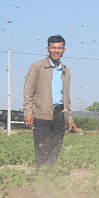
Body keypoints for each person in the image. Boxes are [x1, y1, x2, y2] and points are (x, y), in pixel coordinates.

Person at [23, 35, 78, 168]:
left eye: (59, 48)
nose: (56, 50)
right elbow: (28, 92)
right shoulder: (37, 67)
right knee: (42, 147)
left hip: (60, 114)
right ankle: (42, 179)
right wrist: (28, 113)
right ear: (48, 49)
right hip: (41, 114)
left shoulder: (66, 71)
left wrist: (69, 119)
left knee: (55, 147)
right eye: (53, 48)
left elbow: (66, 97)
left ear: (64, 50)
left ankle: (48, 175)